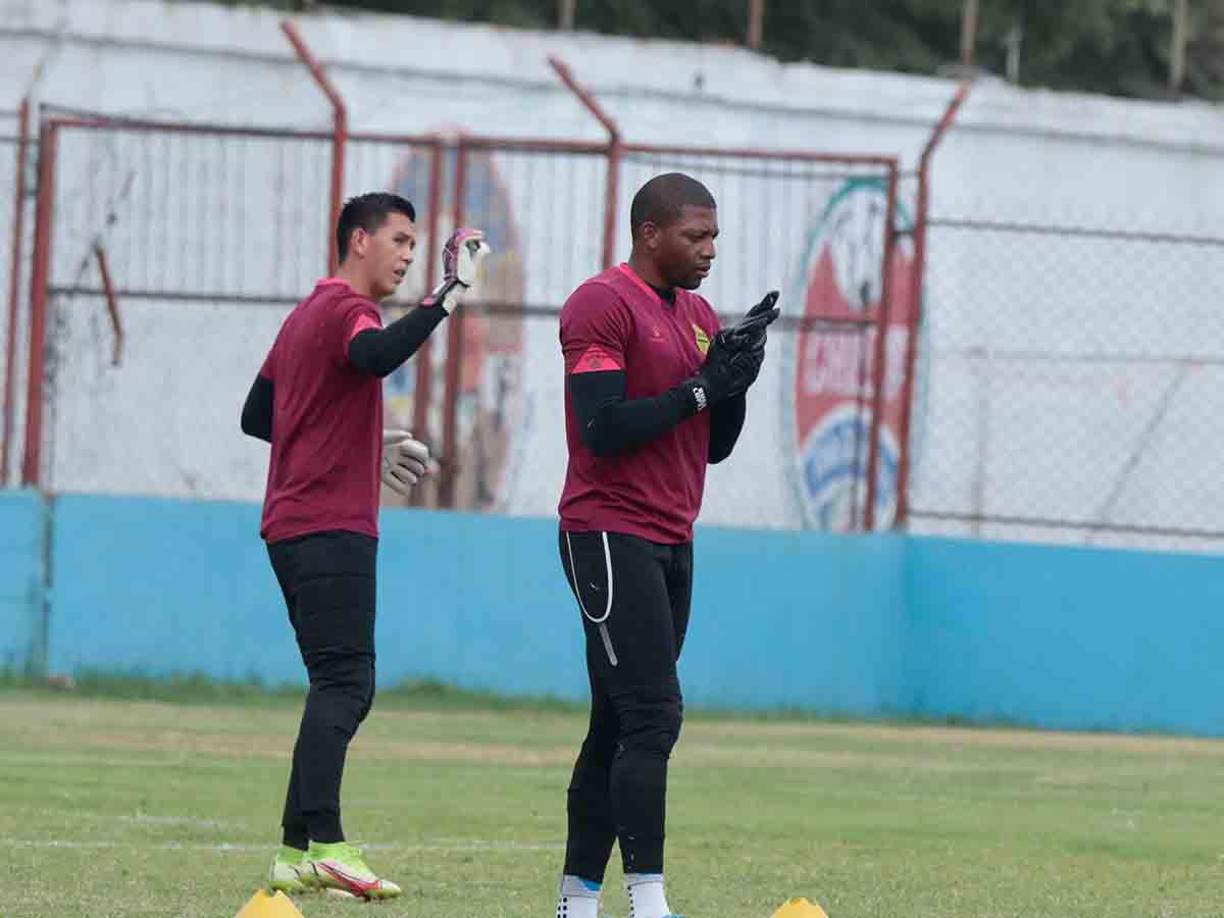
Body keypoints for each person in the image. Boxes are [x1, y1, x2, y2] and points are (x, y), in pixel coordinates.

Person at [240, 191, 489, 900]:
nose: (410, 254)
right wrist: (447, 297)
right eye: (400, 240)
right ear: (358, 241)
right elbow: (374, 356)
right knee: (347, 683)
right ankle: (325, 841)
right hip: (327, 524)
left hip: (296, 522)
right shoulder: (352, 310)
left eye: (417, 246)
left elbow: (261, 415)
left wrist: (353, 443)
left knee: (336, 682)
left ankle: (295, 852)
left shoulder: (302, 316)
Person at [554, 172, 779, 918]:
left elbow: (712, 446)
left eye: (714, 235)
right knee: (654, 713)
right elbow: (604, 426)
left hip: (673, 534)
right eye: (696, 236)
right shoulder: (600, 303)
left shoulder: (699, 313)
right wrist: (702, 388)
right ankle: (648, 901)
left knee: (618, 720)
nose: (710, 250)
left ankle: (575, 902)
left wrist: (737, 378)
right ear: (650, 233)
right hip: (608, 532)